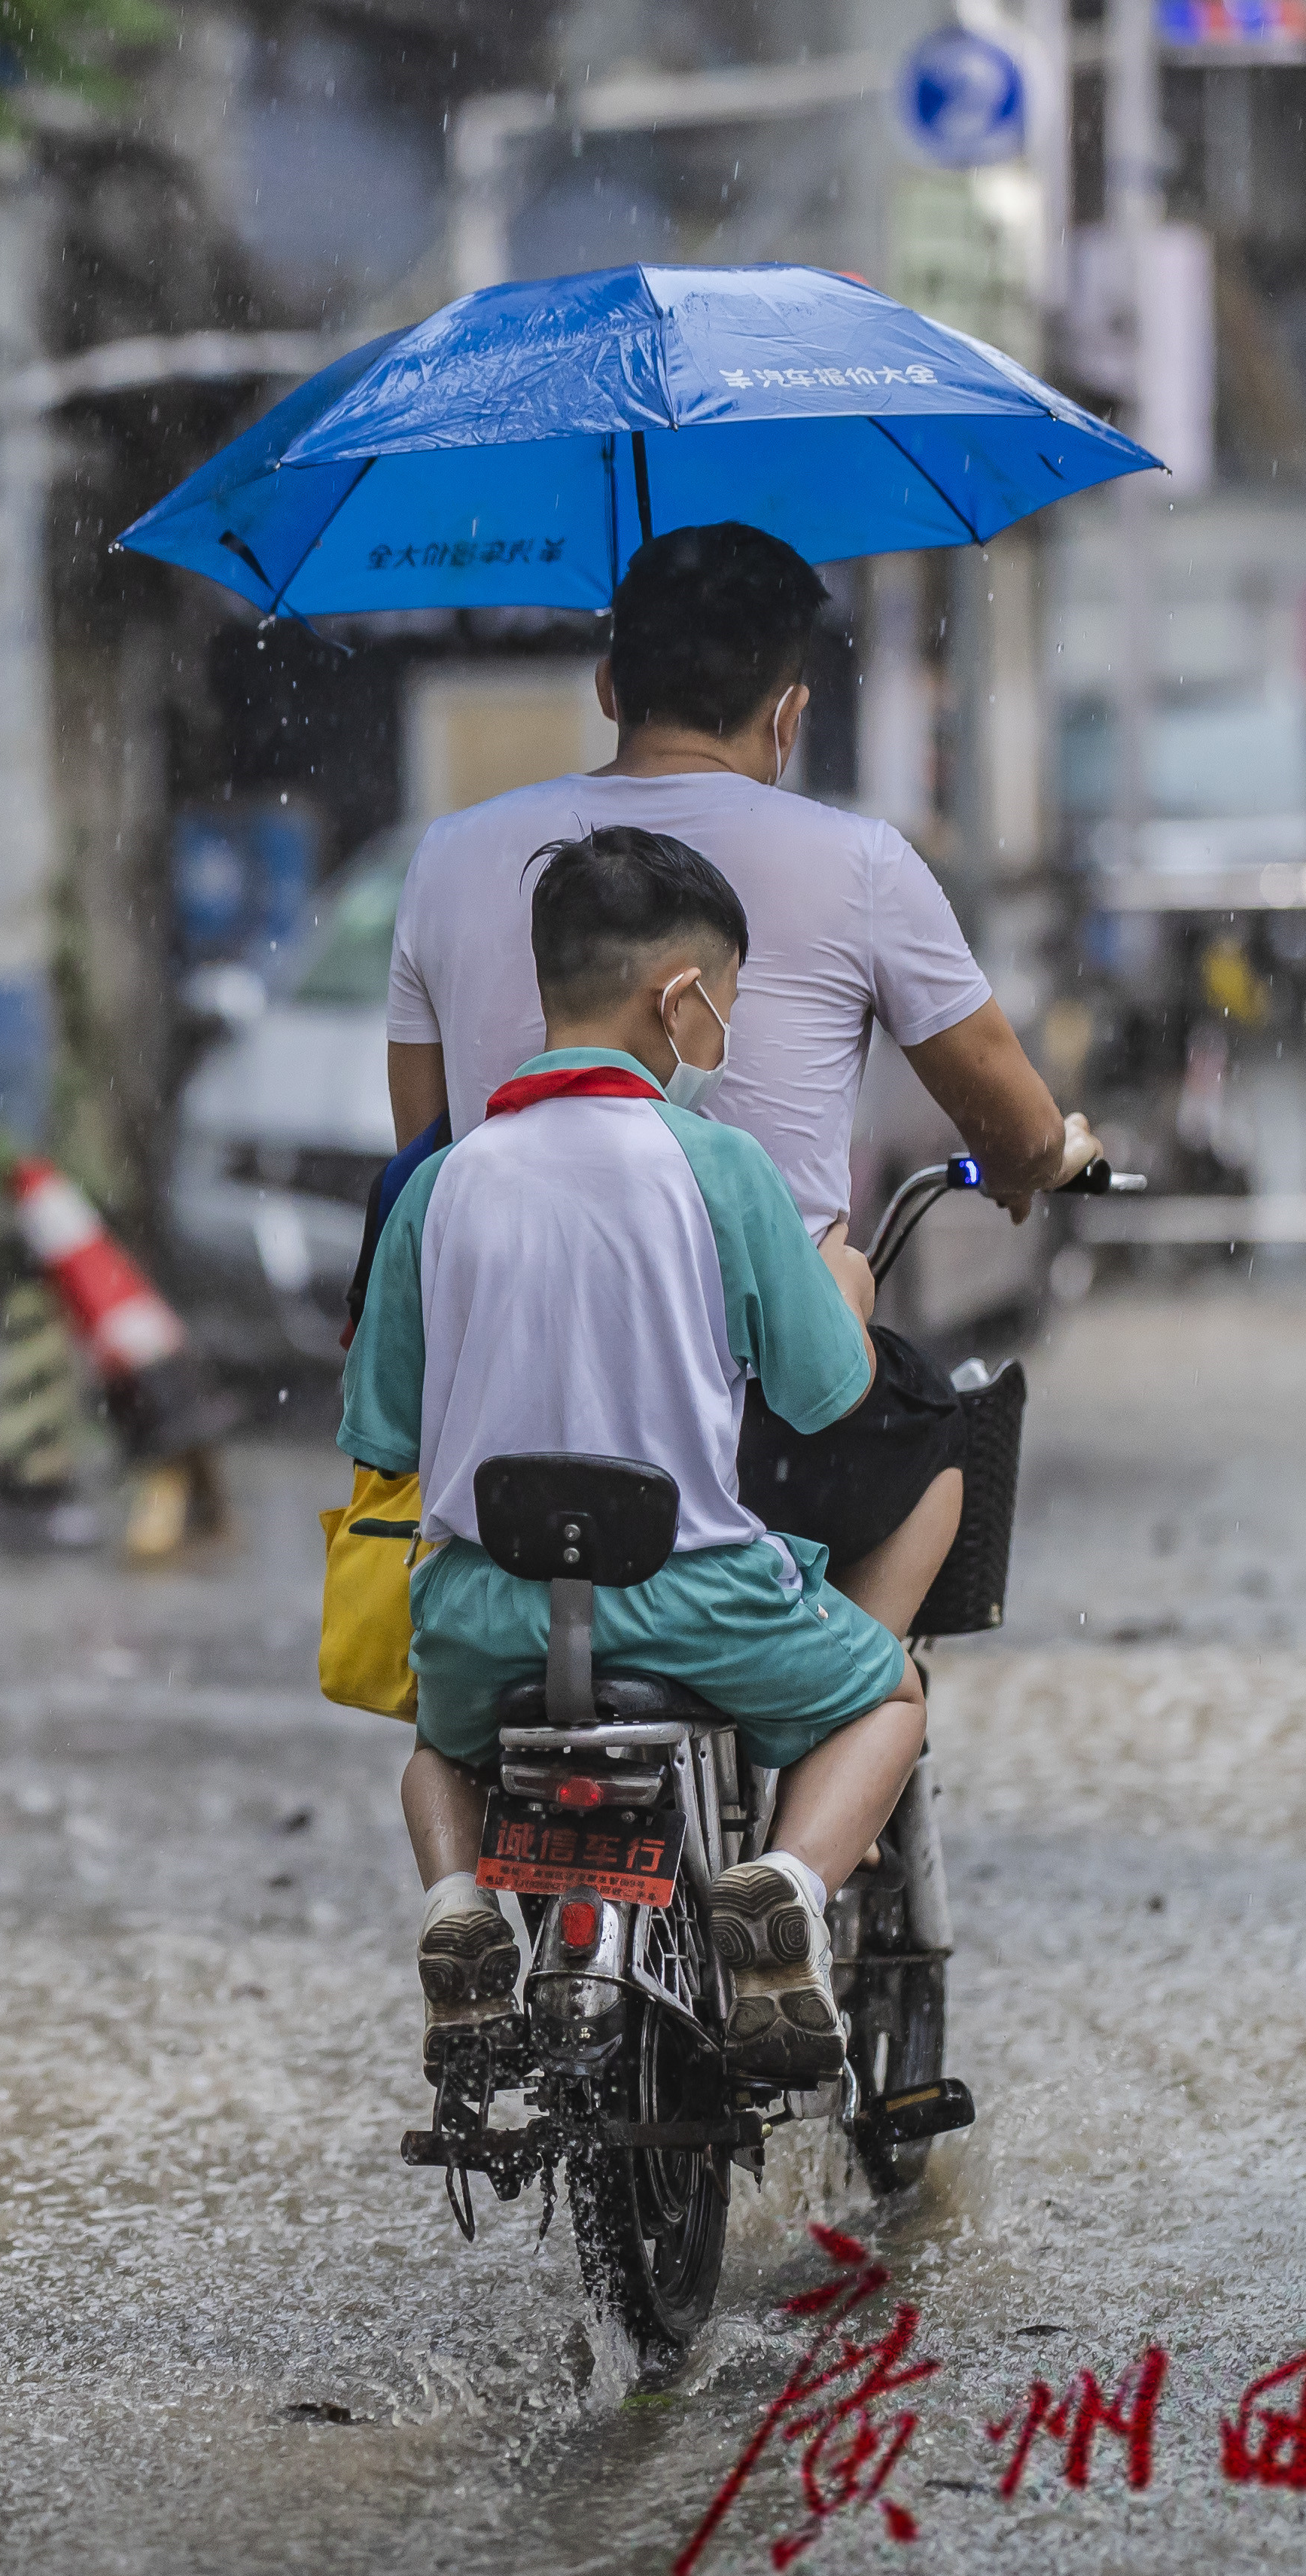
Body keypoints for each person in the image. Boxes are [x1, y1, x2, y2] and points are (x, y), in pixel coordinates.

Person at [375, 522, 1096, 1937]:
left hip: (507, 1456)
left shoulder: (451, 860)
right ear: (790, 705)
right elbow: (1008, 1123)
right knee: (938, 1439)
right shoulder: (857, 868)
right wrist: (1043, 1159)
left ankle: (472, 1906)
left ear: (604, 684)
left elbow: (421, 1151)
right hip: (756, 1432)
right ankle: (809, 1763)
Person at [339, 828, 921, 2089]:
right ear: (679, 997)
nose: (726, 1029)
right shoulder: (721, 1168)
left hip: (482, 1613)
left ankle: (457, 1904)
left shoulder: (437, 1188)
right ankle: (790, 1885)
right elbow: (826, 1394)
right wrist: (847, 1287)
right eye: (727, 1002)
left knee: (439, 1749)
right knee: (887, 1696)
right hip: (694, 1596)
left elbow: (382, 1433)